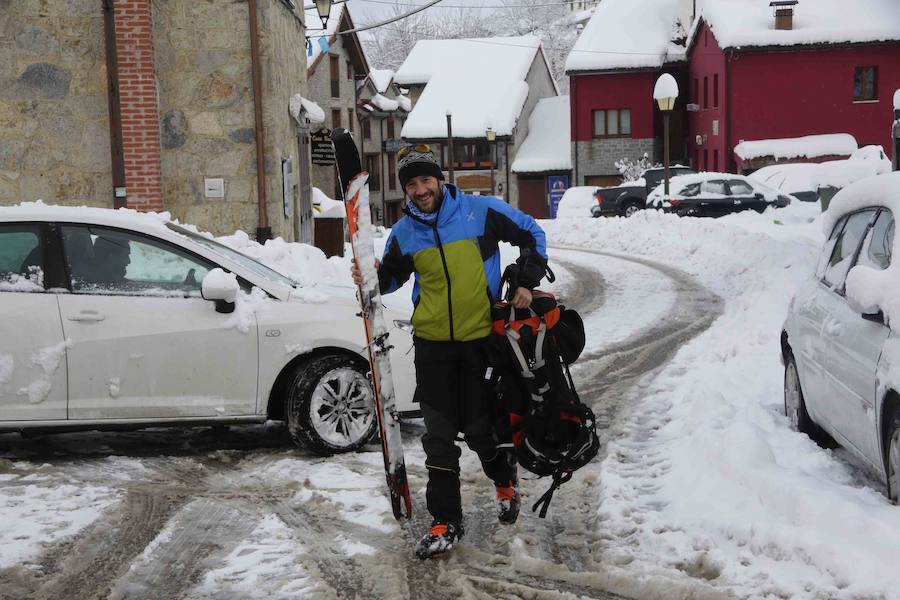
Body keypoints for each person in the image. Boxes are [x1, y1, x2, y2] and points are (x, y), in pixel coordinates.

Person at [351, 144, 548, 559]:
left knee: (480, 431)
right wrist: (368, 275)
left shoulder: (482, 212)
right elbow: (390, 280)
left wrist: (526, 281)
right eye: (412, 184)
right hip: (433, 346)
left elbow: (532, 233)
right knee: (438, 437)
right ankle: (444, 521)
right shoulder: (405, 233)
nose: (420, 190)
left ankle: (504, 480)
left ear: (440, 179)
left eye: (426, 180)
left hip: (482, 344)